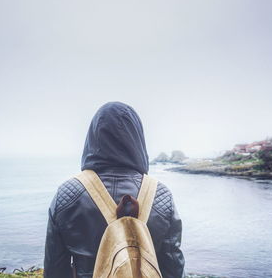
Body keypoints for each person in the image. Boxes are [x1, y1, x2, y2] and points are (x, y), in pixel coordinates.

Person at [44, 102, 185, 278]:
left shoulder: (67, 194)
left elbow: (55, 269)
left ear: (93, 138)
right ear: (137, 139)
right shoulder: (161, 194)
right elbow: (173, 266)